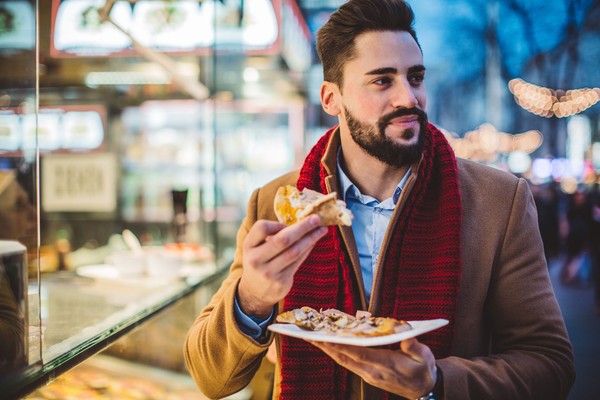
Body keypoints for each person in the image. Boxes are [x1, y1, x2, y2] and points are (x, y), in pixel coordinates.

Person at [184, 1, 575, 399]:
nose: (409, 98)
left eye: (416, 77)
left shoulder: (499, 202)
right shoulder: (275, 204)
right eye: (382, 81)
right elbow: (210, 377)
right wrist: (251, 297)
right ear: (331, 99)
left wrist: (437, 383)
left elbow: (550, 364)